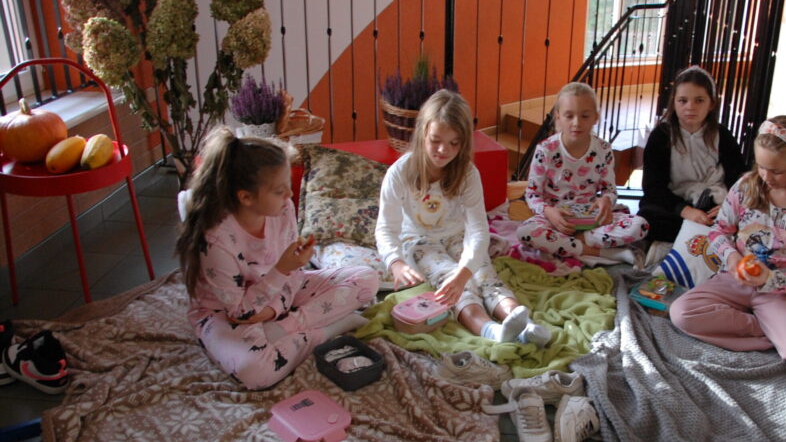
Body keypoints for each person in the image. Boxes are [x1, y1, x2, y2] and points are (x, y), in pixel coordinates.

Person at [177, 128, 379, 390]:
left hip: (280, 293)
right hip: (228, 314)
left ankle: (284, 330)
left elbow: (295, 275)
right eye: (280, 191)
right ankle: (327, 330)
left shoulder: (282, 209)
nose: (289, 196)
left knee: (366, 279)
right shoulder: (216, 241)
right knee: (255, 371)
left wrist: (281, 307)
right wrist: (282, 270)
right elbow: (240, 313)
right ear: (246, 197)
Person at [669, 116, 786, 369]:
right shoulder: (746, 187)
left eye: (777, 171)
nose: (766, 177)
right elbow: (719, 231)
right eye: (761, 166)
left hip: (782, 292)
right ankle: (775, 332)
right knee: (681, 314)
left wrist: (771, 280)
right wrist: (732, 257)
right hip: (734, 280)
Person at [375, 89, 550, 347]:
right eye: (435, 140)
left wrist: (466, 271)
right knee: (451, 283)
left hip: (459, 236)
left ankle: (526, 326)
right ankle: (490, 330)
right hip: (419, 241)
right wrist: (396, 262)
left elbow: (478, 230)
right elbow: (385, 228)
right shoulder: (400, 172)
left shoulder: (467, 173)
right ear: (422, 133)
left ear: (464, 142)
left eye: (454, 143)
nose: (443, 150)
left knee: (485, 276)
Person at [517, 82, 648, 265]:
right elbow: (532, 194)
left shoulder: (603, 149)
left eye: (585, 116)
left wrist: (606, 200)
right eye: (569, 116)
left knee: (640, 225)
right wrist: (549, 212)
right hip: (556, 219)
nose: (576, 123)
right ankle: (602, 253)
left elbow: (610, 190)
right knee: (525, 232)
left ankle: (571, 244)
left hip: (591, 219)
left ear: (595, 117)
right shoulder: (545, 150)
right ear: (558, 116)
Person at [639, 66, 745, 242]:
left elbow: (738, 178)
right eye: (683, 100)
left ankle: (702, 239)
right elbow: (653, 187)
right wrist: (686, 211)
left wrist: (727, 206)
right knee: (647, 218)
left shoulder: (722, 135)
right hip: (675, 204)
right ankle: (700, 238)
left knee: (744, 217)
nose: (690, 107)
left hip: (713, 201)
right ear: (674, 102)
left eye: (699, 100)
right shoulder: (661, 136)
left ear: (711, 104)